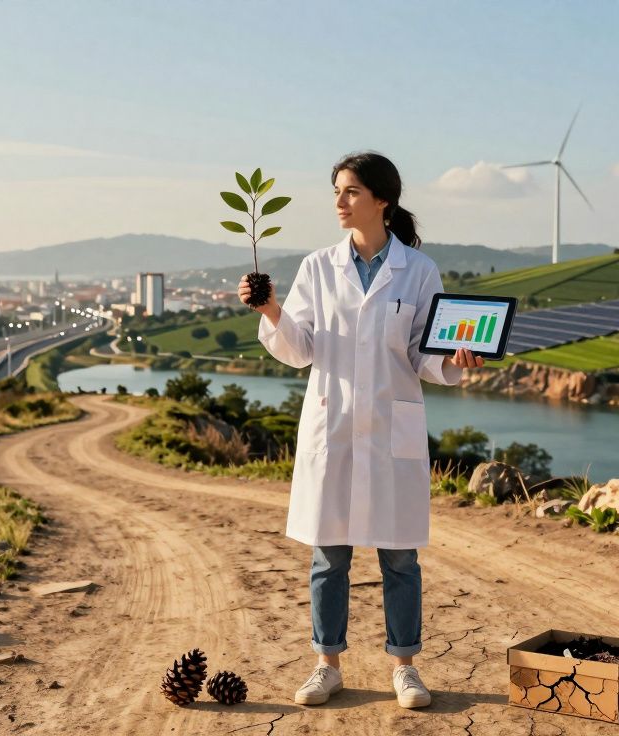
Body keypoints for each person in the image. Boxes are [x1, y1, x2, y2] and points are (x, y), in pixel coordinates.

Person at [239, 151, 484, 710]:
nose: (339, 203)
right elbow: (300, 351)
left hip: (392, 424)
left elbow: (424, 352)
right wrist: (272, 308)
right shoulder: (318, 268)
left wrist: (455, 361)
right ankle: (327, 664)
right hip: (335, 424)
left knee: (400, 557)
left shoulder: (418, 272)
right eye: (336, 192)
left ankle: (405, 666)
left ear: (382, 201)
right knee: (330, 556)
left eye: (350, 192)